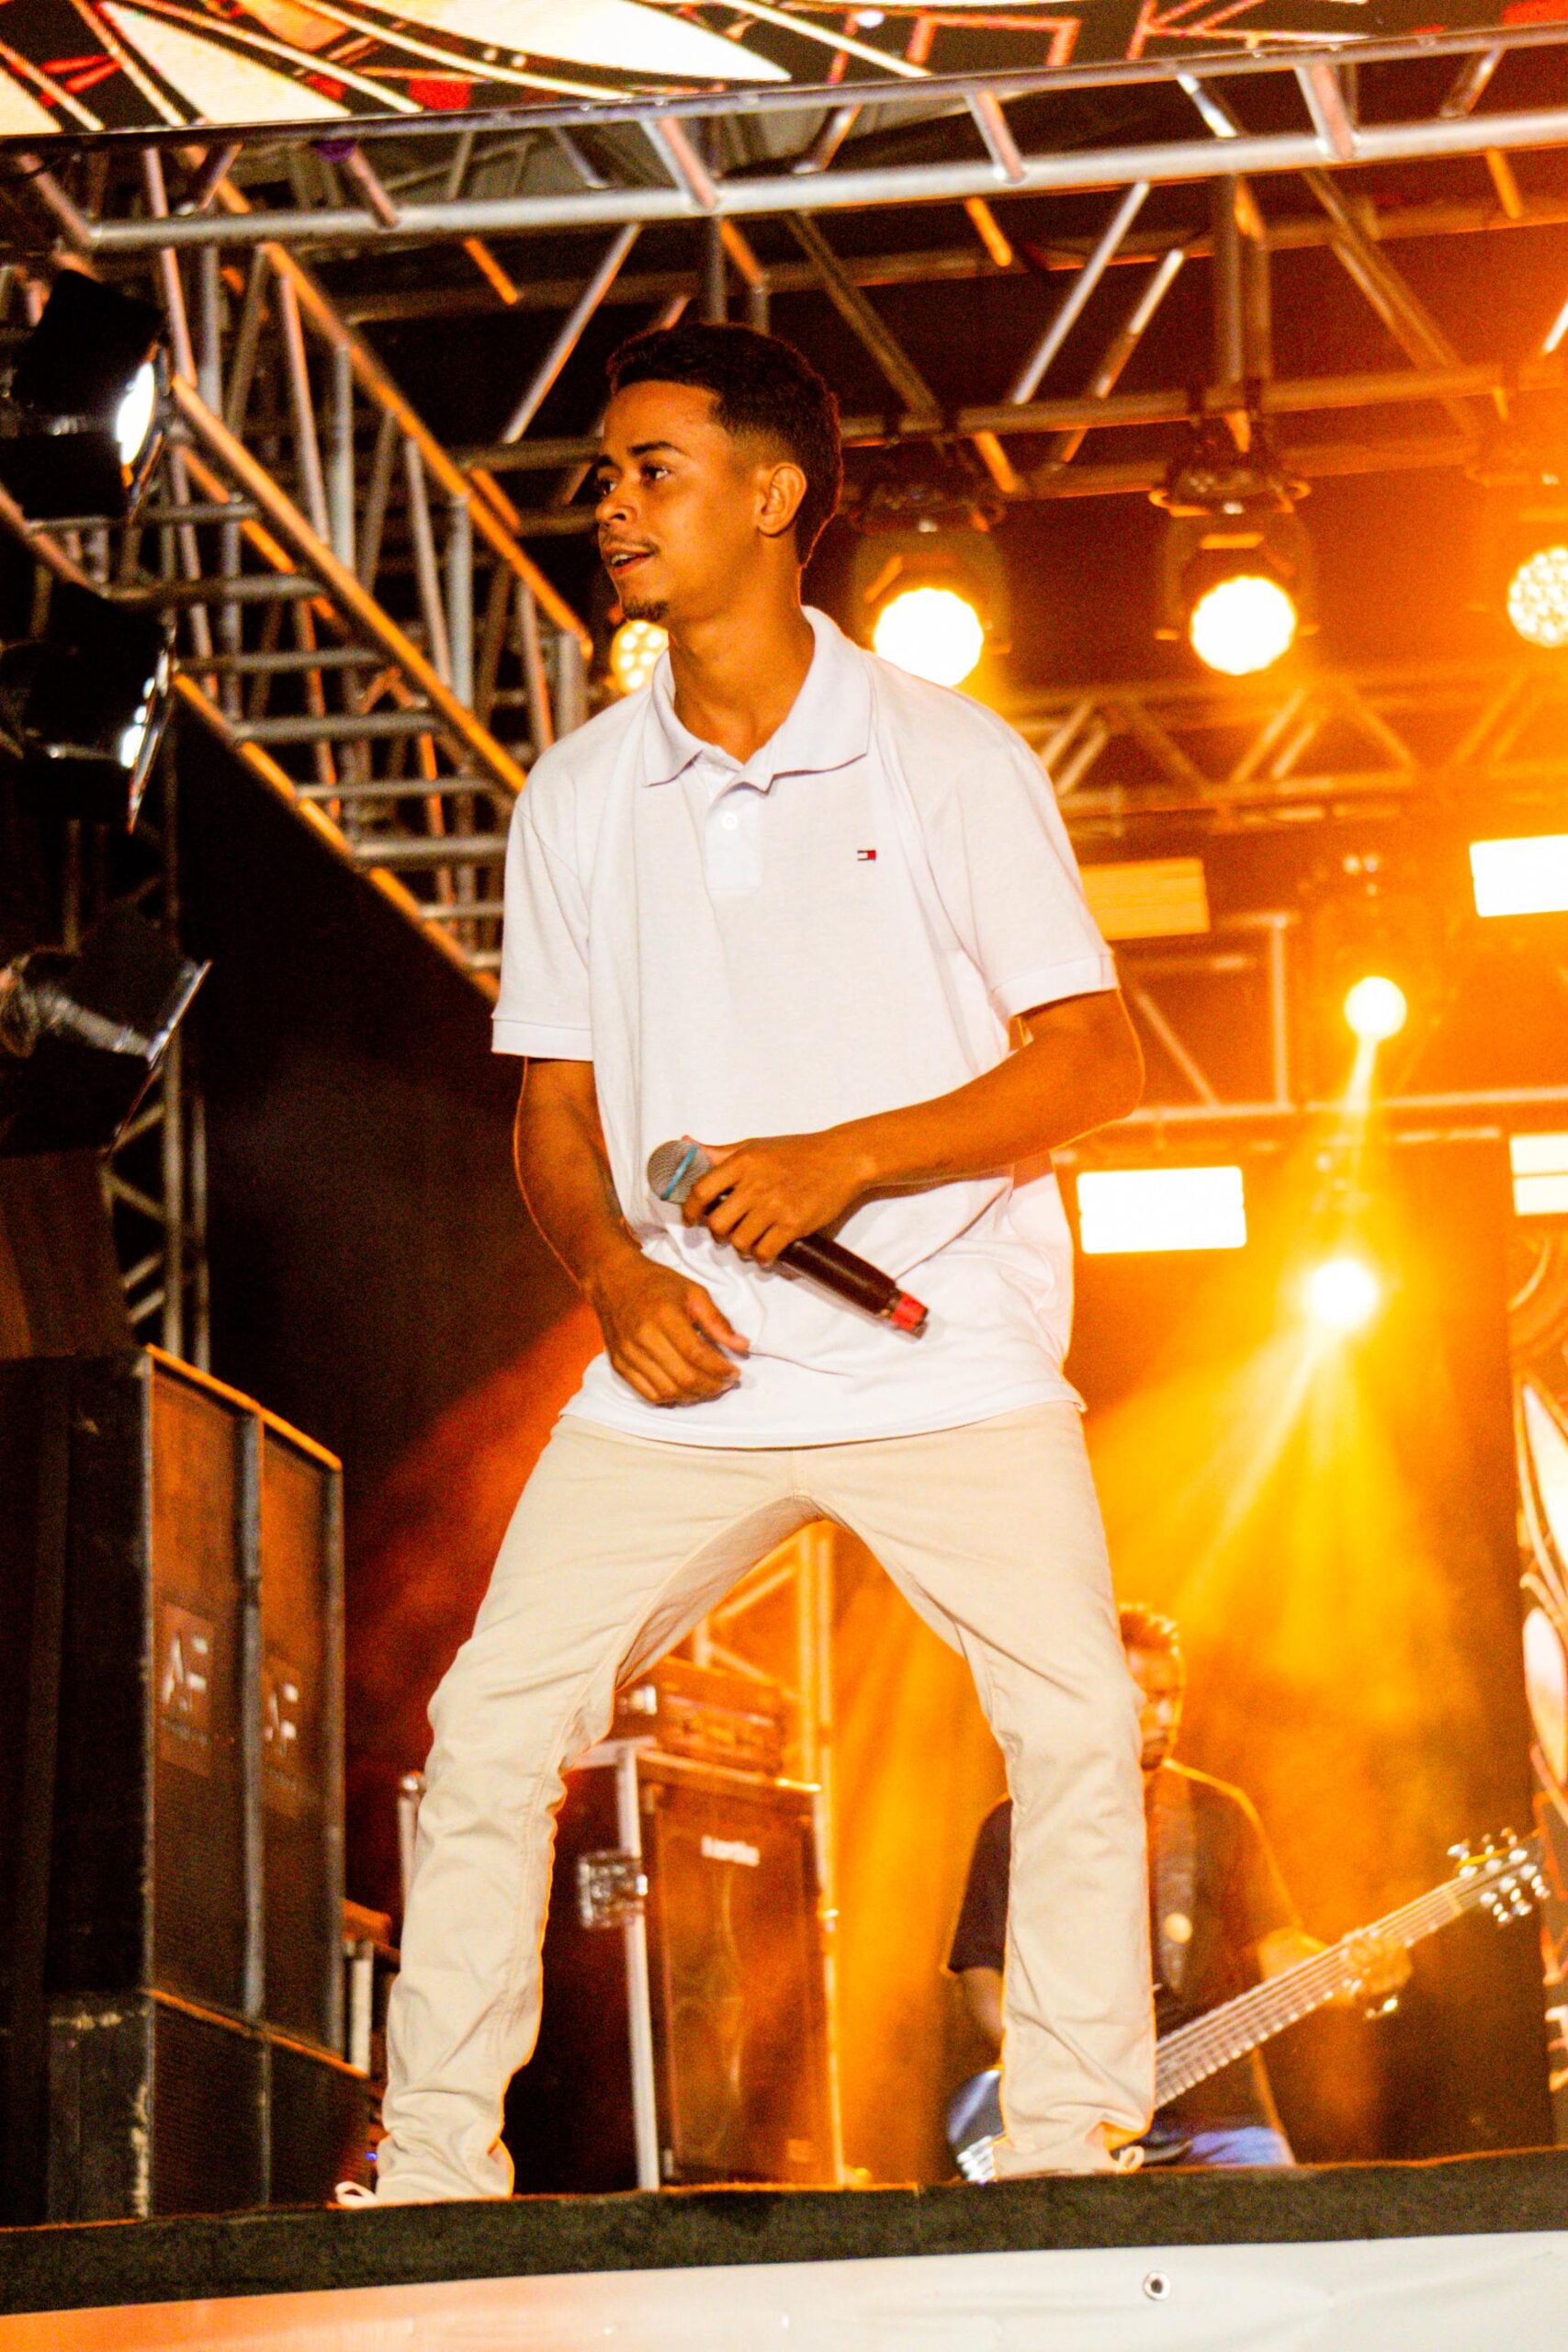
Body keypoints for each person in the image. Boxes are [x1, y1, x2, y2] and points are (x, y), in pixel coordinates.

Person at [362, 322, 1152, 2202]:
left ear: (774, 492)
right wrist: (613, 1279)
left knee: (1074, 1723)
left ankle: (1068, 2152)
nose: (608, 504)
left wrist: (839, 1161)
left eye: (652, 469)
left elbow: (1094, 1062)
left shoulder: (945, 758)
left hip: (943, 1350)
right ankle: (433, 2172)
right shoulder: (575, 794)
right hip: (685, 1370)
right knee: (486, 1727)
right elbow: (556, 1112)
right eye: (603, 474)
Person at [948, 1604, 1410, 2167]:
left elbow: (1279, 1952)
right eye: (1148, 1697)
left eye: (1175, 1696)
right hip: (1083, 2122)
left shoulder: (1219, 1814)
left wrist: (1357, 1973)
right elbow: (982, 1976)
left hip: (1223, 2115)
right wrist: (1052, 2075)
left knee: (1286, 2223)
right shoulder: (1019, 1823)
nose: (1166, 1715)